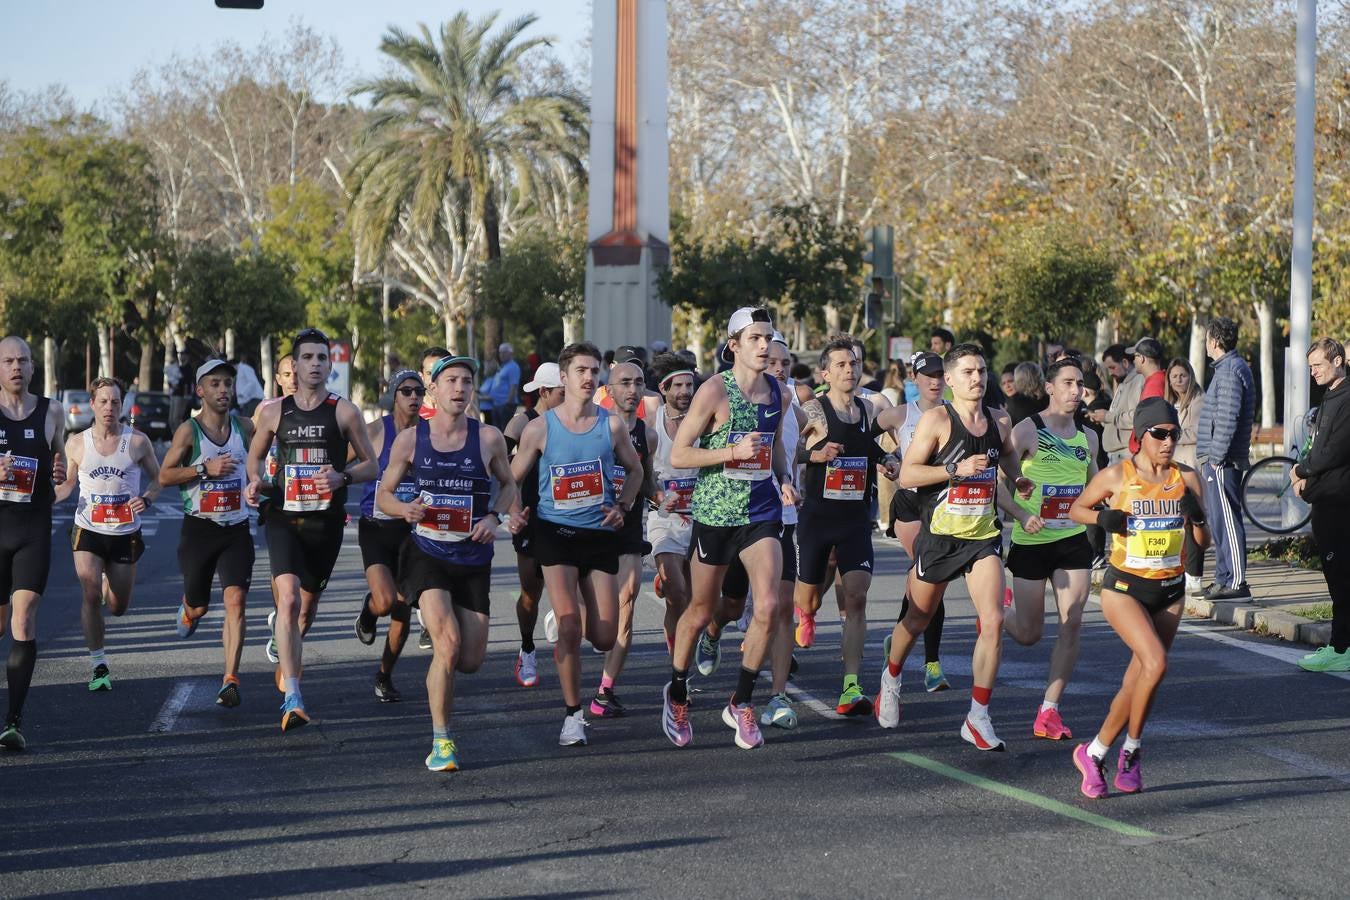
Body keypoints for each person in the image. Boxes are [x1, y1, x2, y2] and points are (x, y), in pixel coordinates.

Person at [876, 343, 1034, 750]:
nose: (977, 378)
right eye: (967, 372)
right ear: (948, 380)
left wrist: (1017, 482)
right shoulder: (935, 420)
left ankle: (978, 717)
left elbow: (1007, 460)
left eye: (981, 370)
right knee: (917, 620)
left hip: (982, 536)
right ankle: (891, 677)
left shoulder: (1000, 421)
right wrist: (954, 469)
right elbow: (908, 473)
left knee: (994, 620)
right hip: (941, 536)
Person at [377, 354, 521, 771]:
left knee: (470, 660)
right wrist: (404, 510)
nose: (460, 388)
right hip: (427, 553)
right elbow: (385, 494)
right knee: (449, 644)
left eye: (467, 381)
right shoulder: (410, 440)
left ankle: (439, 655)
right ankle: (442, 742)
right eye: (451, 381)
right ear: (434, 391)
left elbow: (509, 485)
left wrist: (495, 516)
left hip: (473, 555)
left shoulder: (489, 438)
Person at [663, 307, 798, 750]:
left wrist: (784, 479)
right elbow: (680, 456)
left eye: (769, 338)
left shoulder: (779, 392)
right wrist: (731, 453)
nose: (765, 346)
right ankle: (678, 691)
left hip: (761, 513)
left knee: (769, 605)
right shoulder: (714, 391)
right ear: (734, 345)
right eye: (755, 338)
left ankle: (741, 702)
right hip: (716, 514)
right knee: (701, 611)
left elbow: (776, 445)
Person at [1067, 398, 1209, 798]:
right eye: (1159, 434)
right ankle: (1132, 750)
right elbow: (1078, 508)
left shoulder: (1188, 478)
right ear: (1140, 437)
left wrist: (1196, 516)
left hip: (1170, 590)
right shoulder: (1118, 475)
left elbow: (1204, 542)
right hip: (1125, 587)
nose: (1168, 442)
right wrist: (1103, 518)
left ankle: (1093, 753)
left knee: (1141, 679)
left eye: (1173, 434)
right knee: (1156, 662)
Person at [509, 342, 642, 747]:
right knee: (570, 628)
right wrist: (513, 513)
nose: (589, 377)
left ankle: (571, 615)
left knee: (603, 636)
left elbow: (635, 471)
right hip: (556, 533)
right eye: (581, 371)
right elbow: (511, 478)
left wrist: (622, 505)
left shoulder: (612, 426)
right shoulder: (541, 427)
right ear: (563, 378)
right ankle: (572, 715)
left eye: (593, 371)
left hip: (599, 534)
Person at [245, 328, 378, 732]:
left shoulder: (345, 411)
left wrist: (343, 477)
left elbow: (372, 465)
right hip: (284, 517)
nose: (316, 364)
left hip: (326, 524)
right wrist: (255, 483)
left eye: (323, 358)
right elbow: (254, 460)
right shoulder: (273, 412)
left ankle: (288, 653)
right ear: (295, 365)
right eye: (308, 358)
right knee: (286, 601)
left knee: (305, 608)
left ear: (329, 365)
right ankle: (294, 698)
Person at [792, 336, 898, 715]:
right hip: (818, 518)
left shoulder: (869, 411)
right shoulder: (813, 412)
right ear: (826, 373)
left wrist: (889, 461)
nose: (849, 370)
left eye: (853, 364)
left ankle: (851, 686)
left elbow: (877, 447)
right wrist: (814, 455)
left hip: (855, 520)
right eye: (840, 365)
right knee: (809, 597)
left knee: (856, 597)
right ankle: (804, 614)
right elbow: (788, 452)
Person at [997, 359, 1099, 740]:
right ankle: (997, 614)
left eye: (1080, 384)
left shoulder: (1089, 438)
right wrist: (1023, 515)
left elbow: (1094, 488)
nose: (1076, 390)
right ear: (1051, 388)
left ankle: (1049, 710)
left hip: (1071, 542)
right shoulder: (1027, 431)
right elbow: (999, 485)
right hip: (1031, 542)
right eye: (1068, 383)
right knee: (1028, 634)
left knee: (1072, 620)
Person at [55, 377, 161, 693]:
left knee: (117, 606)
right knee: (89, 590)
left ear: (122, 405)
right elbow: (68, 485)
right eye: (103, 401)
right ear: (93, 404)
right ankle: (98, 663)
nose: (109, 408)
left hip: (125, 533)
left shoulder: (138, 442)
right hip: (87, 528)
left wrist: (147, 498)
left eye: (115, 402)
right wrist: (48, 494)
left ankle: (107, 585)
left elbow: (159, 480)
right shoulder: (76, 443)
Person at [159, 360, 255, 708]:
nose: (224, 390)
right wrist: (204, 468)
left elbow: (263, 463)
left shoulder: (246, 427)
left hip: (236, 528)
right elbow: (164, 477)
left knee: (236, 602)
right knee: (200, 607)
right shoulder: (189, 431)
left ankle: (230, 677)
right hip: (199, 529)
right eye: (215, 384)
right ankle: (189, 608)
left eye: (228, 383)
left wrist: (258, 483)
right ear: (200, 390)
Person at [0, 336, 66, 750]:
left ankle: (13, 722)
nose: (16, 367)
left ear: (32, 367)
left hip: (33, 528)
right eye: (8, 361)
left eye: (22, 360)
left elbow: (61, 462)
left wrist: (60, 471)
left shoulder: (52, 410)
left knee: (22, 620)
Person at [877, 351, 952, 693]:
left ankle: (898, 641)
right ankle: (932, 665)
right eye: (928, 376)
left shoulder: (957, 412)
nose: (935, 381)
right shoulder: (901, 414)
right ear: (915, 379)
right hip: (911, 502)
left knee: (926, 584)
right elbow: (863, 436)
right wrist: (887, 459)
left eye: (940, 375)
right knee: (929, 575)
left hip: (946, 504)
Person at [352, 369, 425, 703]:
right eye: (406, 391)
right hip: (377, 526)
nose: (413, 397)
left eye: (419, 391)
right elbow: (340, 465)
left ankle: (384, 675)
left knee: (403, 608)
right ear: (394, 395)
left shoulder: (432, 433)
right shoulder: (375, 431)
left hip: (413, 531)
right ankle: (368, 614)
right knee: (385, 601)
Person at [589, 361, 655, 718]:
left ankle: (604, 691)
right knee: (594, 614)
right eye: (625, 383)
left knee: (626, 604)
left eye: (639, 383)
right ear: (609, 389)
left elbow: (646, 480)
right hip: (588, 525)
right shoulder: (592, 425)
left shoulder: (649, 434)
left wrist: (663, 497)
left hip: (628, 525)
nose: (632, 390)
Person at [502, 361, 564, 688]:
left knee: (575, 583)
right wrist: (511, 509)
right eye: (561, 393)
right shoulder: (523, 422)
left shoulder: (571, 420)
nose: (568, 398)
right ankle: (527, 647)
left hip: (567, 515)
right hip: (530, 514)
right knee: (530, 591)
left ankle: (561, 615)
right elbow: (501, 460)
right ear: (544, 392)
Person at [1293, 339, 1350, 672]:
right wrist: (1303, 474)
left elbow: (1336, 451)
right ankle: (1340, 644)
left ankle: (1341, 648)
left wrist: (1302, 471)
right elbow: (1317, 447)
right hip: (1326, 498)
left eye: (1318, 365)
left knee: (1341, 577)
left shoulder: (1347, 398)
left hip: (1340, 501)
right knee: (1337, 576)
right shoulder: (1330, 395)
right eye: (1311, 366)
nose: (1312, 372)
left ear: (1338, 361)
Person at [1195, 316, 1255, 600]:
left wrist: (1216, 457)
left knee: (1228, 520)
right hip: (1218, 459)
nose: (1205, 344)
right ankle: (1223, 578)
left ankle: (1237, 583)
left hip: (1223, 460)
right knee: (1219, 521)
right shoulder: (1227, 368)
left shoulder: (1230, 369)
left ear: (1215, 341)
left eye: (1207, 338)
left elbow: (1228, 417)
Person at [646, 353, 699, 655]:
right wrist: (657, 496)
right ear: (664, 389)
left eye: (689, 385)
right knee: (677, 595)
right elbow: (640, 474)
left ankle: (685, 654)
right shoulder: (650, 425)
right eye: (677, 385)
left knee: (695, 601)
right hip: (663, 517)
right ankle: (677, 661)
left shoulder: (704, 420)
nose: (684, 392)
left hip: (700, 517)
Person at [1166, 357, 1206, 595]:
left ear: (1190, 376)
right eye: (1174, 376)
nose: (1179, 380)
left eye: (1183, 375)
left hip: (1192, 468)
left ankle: (1195, 575)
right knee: (1179, 522)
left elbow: (1198, 432)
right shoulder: (1173, 403)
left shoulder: (1199, 400)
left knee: (1194, 521)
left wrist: (1170, 433)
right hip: (1175, 469)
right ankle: (1182, 570)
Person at [1092, 344, 1142, 463]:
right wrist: (1103, 419)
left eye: (1112, 367)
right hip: (1116, 455)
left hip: (1125, 455)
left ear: (1125, 362)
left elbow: (1137, 417)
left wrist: (1107, 416)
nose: (1110, 373)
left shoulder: (1138, 381)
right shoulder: (1123, 384)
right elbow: (1117, 418)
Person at [1125, 337, 1166, 454]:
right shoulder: (1157, 380)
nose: (1133, 361)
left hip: (1148, 450)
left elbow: (1150, 421)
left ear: (1142, 358)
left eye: (1135, 357)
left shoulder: (1155, 384)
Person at [481, 342, 521, 430]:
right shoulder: (503, 367)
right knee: (497, 430)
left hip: (505, 405)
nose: (501, 355)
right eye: (500, 352)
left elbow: (513, 386)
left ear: (511, 353)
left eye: (504, 352)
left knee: (504, 430)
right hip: (496, 404)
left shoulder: (513, 367)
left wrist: (508, 403)